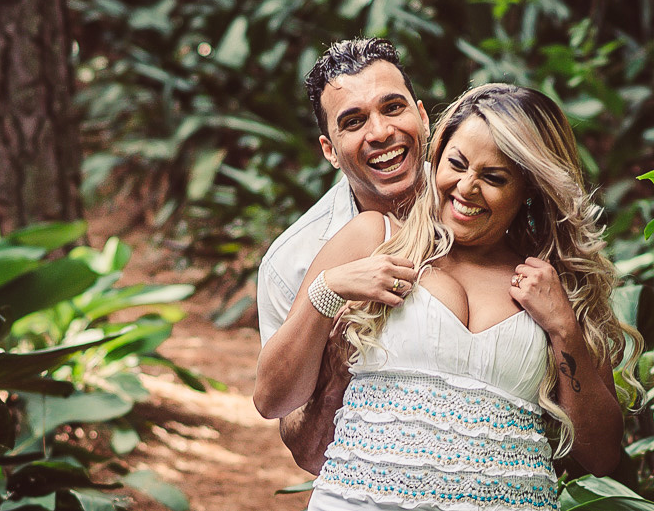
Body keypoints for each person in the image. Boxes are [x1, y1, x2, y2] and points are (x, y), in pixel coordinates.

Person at [254, 83, 639, 510]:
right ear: (436, 155)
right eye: (456, 163)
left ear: (530, 187)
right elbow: (272, 399)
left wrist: (564, 328)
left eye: (494, 178)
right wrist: (327, 290)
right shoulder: (376, 239)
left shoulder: (552, 285)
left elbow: (601, 455)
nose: (466, 187)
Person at [257, 38, 429, 470]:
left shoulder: (481, 206)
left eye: (393, 108)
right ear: (329, 150)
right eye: (353, 121)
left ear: (423, 117)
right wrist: (333, 348)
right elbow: (304, 448)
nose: (380, 132)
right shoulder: (292, 261)